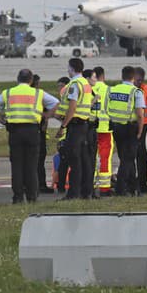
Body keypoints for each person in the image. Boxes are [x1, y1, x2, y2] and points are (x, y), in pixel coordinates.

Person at [0, 68, 59, 204]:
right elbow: (56, 103)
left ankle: (17, 197)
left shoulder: (9, 92)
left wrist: (2, 120)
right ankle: (32, 196)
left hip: (15, 132)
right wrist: (45, 116)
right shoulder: (38, 93)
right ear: (31, 80)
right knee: (32, 166)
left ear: (17, 79)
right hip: (32, 131)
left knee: (16, 166)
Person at [57, 57, 95, 199]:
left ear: (72, 68)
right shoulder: (85, 83)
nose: (67, 70)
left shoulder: (74, 84)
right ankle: (86, 192)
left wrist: (63, 125)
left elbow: (72, 107)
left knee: (74, 160)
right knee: (84, 160)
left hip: (75, 126)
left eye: (68, 67)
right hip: (84, 125)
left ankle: (73, 193)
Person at [106, 65, 145, 196]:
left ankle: (134, 187)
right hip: (130, 128)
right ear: (133, 77)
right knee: (127, 160)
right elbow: (140, 115)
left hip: (116, 127)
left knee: (126, 157)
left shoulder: (113, 90)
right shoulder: (136, 92)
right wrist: (140, 131)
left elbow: (107, 108)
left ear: (122, 76)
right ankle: (121, 189)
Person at [90, 65, 115, 195]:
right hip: (105, 129)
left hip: (91, 128)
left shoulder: (89, 89)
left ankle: (91, 184)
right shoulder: (109, 90)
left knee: (91, 157)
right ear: (103, 76)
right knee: (105, 158)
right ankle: (105, 187)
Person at [31, 72, 54, 193]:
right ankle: (40, 184)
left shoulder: (23, 95)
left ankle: (28, 185)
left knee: (28, 160)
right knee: (39, 160)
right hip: (38, 131)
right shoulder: (40, 95)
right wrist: (45, 124)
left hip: (27, 130)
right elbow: (51, 108)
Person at [51, 76, 70, 192]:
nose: (59, 89)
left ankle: (61, 185)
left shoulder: (66, 97)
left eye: (61, 86)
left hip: (67, 135)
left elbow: (59, 115)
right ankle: (62, 185)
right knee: (65, 162)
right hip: (66, 134)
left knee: (64, 162)